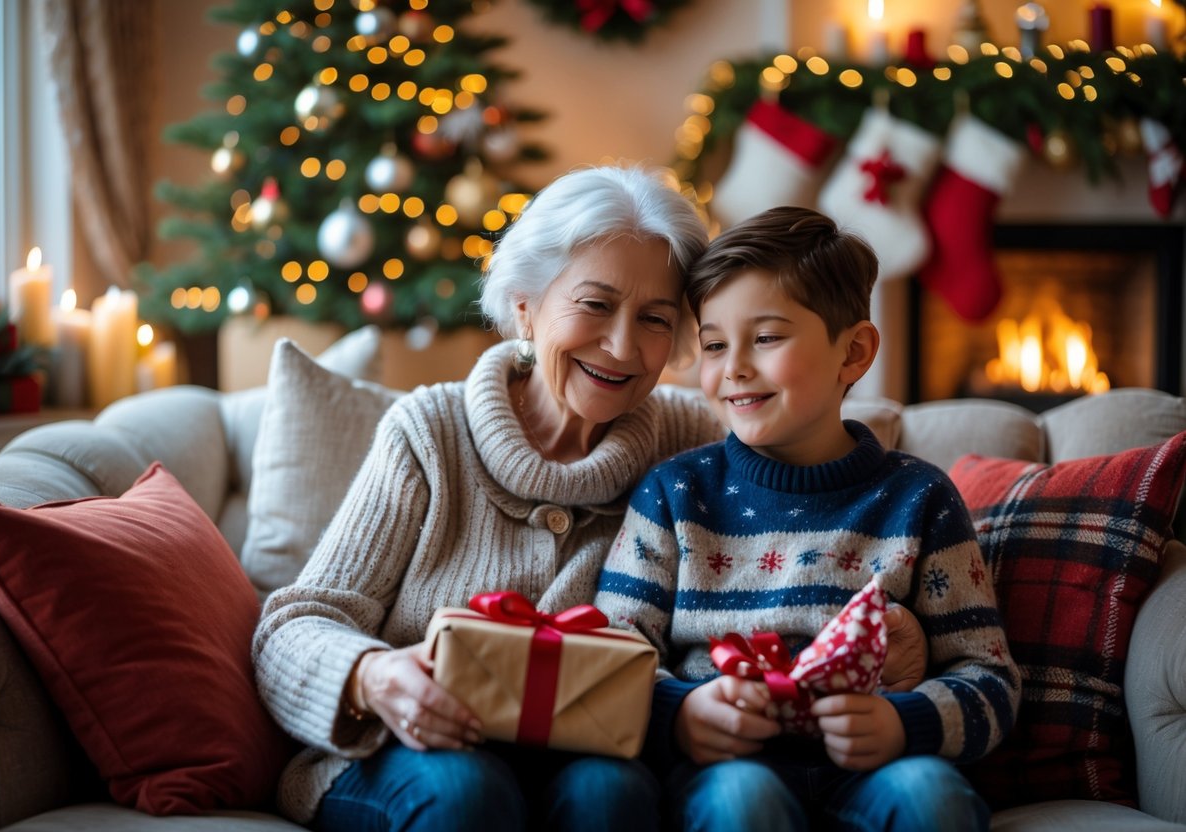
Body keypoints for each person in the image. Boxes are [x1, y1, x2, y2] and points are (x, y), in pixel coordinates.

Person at [251, 165, 728, 832]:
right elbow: (293, 624)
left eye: (654, 318)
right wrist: (373, 675)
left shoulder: (693, 441)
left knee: (611, 793)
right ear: (526, 304)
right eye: (594, 304)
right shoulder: (429, 432)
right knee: (467, 793)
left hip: (586, 753)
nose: (622, 346)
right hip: (412, 751)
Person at [594, 206, 1020, 832]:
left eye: (766, 338)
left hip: (876, 770)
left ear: (853, 353)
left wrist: (907, 722)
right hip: (727, 774)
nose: (734, 366)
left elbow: (989, 674)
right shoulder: (675, 493)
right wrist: (682, 714)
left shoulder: (918, 499)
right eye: (714, 344)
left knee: (933, 797)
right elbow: (610, 655)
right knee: (743, 804)